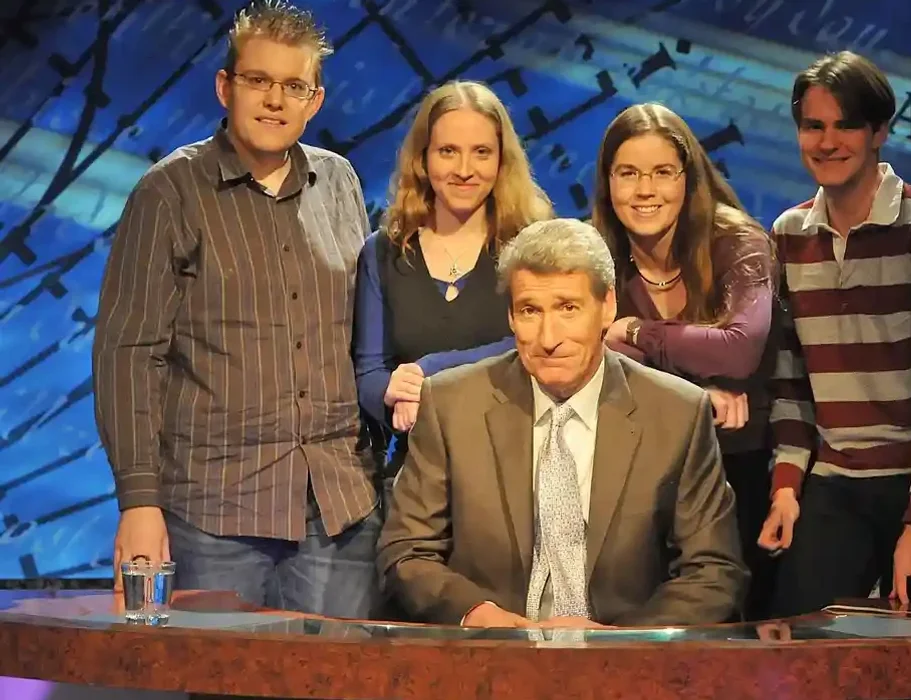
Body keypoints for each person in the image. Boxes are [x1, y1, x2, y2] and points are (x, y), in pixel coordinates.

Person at [92, 1, 380, 617]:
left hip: (339, 512)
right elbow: (128, 354)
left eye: (293, 86)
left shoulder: (341, 182)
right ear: (226, 87)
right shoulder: (168, 192)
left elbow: (365, 334)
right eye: (258, 80)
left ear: (315, 101)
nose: (275, 100)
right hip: (215, 515)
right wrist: (139, 504)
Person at [377, 218, 747, 627]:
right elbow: (407, 550)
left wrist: (618, 643)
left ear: (607, 306)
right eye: (530, 311)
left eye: (568, 308)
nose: (548, 337)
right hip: (488, 660)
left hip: (625, 668)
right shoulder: (450, 403)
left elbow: (714, 572)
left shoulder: (677, 412)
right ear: (511, 317)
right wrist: (480, 615)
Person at [758, 51, 911, 616]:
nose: (827, 141)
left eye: (845, 125)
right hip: (838, 477)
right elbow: (790, 381)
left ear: (879, 131)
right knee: (797, 642)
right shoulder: (788, 234)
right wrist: (786, 486)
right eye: (813, 126)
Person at [591, 103, 779, 620]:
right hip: (637, 475)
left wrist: (634, 331)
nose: (644, 190)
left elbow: (740, 348)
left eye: (661, 173)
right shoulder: (597, 254)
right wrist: (698, 394)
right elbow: (584, 356)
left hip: (741, 471)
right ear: (608, 181)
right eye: (628, 173)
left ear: (688, 177)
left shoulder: (737, 242)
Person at [353, 81, 553, 464]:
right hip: (421, 470)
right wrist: (396, 392)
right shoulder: (382, 251)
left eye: (481, 152)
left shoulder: (533, 245)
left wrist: (431, 371)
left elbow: (533, 347)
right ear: (423, 159)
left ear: (501, 160)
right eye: (448, 151)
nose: (464, 170)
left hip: (518, 466)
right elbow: (369, 371)